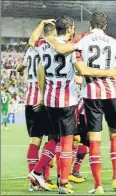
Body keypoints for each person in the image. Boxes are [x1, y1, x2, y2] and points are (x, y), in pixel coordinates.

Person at [44, 11, 116, 194]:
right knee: (115, 134)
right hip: (112, 93)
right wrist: (114, 76)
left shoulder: (83, 39)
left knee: (94, 140)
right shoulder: (114, 42)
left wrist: (49, 39)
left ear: (90, 25)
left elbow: (62, 50)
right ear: (105, 25)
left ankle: (98, 185)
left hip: (91, 94)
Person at [27, 16, 116, 194]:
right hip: (68, 100)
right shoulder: (72, 47)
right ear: (69, 30)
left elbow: (32, 44)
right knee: (67, 141)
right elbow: (83, 71)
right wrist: (109, 72)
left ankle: (38, 172)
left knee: (54, 139)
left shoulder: (43, 45)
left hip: (50, 101)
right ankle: (63, 182)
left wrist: (41, 25)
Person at [16, 20, 57, 191]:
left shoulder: (32, 49)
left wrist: (40, 24)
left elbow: (19, 68)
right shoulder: (50, 49)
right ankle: (41, 175)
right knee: (55, 138)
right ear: (53, 34)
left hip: (29, 99)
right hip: (44, 98)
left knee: (35, 142)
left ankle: (35, 183)